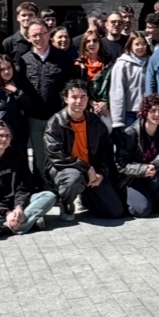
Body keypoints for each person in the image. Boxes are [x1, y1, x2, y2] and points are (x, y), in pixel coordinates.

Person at [44, 79, 123, 221]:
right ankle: (66, 202)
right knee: (74, 179)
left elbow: (106, 151)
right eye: (74, 97)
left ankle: (87, 197)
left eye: (83, 97)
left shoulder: (94, 121)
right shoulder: (55, 123)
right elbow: (56, 155)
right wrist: (86, 168)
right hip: (67, 169)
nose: (79, 101)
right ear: (65, 99)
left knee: (115, 211)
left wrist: (100, 173)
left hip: (92, 171)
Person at [0, 121, 56, 239]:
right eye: (0, 135)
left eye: (7, 136)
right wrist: (6, 213)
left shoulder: (17, 157)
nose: (4, 139)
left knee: (49, 196)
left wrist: (19, 207)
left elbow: (24, 186)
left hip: (17, 204)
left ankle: (4, 228)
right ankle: (28, 222)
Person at [18, 19, 76, 183]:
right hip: (35, 118)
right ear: (29, 38)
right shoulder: (24, 60)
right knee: (39, 156)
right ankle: (46, 192)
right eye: (34, 35)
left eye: (41, 34)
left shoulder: (62, 58)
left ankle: (62, 189)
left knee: (61, 155)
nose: (38, 38)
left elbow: (72, 84)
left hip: (59, 117)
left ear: (49, 34)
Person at [115, 94, 159, 217]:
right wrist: (143, 169)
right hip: (132, 179)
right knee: (141, 210)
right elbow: (121, 165)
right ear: (145, 112)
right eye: (153, 111)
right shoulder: (130, 133)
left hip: (151, 174)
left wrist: (154, 165)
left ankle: (155, 198)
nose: (157, 114)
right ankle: (129, 200)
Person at [109, 32, 150, 129]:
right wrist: (117, 120)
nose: (141, 47)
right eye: (137, 44)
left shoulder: (151, 62)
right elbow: (117, 92)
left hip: (147, 111)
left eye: (143, 44)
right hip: (129, 112)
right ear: (130, 45)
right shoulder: (122, 64)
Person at [74, 30, 111, 118]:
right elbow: (77, 88)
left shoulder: (109, 63)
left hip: (107, 109)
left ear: (99, 42)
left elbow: (115, 87)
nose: (92, 44)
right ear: (84, 44)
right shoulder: (79, 65)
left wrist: (105, 103)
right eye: (88, 41)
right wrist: (92, 103)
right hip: (85, 109)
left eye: (95, 40)